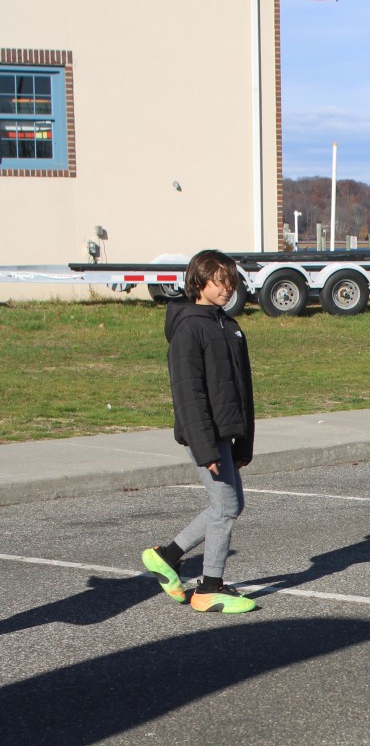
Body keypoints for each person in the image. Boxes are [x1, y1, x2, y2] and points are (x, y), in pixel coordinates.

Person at [142, 248, 257, 614]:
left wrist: (244, 444)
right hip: (203, 434)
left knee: (231, 505)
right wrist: (205, 449)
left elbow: (243, 389)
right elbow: (188, 396)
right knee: (225, 508)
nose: (227, 288)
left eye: (231, 282)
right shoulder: (189, 328)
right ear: (199, 282)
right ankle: (209, 588)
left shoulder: (229, 325)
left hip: (225, 433)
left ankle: (166, 556)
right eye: (219, 282)